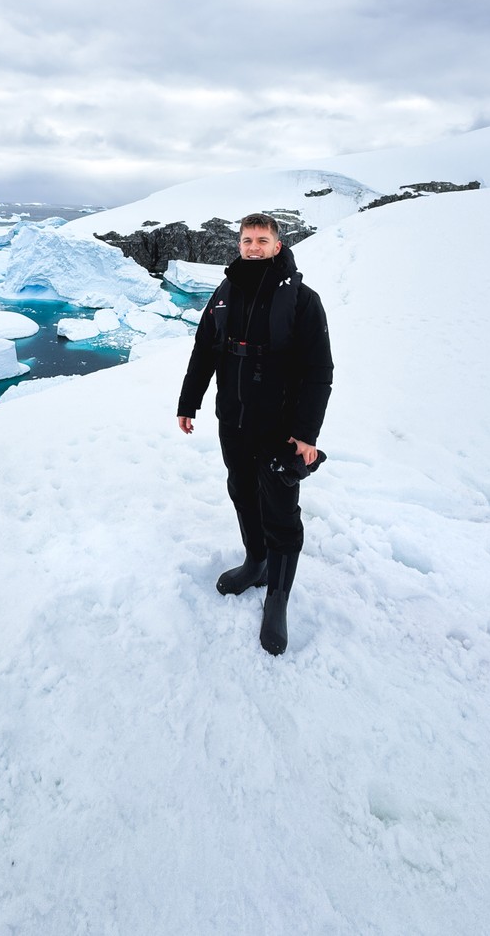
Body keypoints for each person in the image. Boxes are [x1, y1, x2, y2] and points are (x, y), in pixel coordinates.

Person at [177, 213, 333, 655]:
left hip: (280, 427)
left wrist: (306, 433)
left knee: (281, 512)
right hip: (234, 420)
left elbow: (319, 371)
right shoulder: (226, 291)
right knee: (242, 493)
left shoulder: (303, 301)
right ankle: (257, 562)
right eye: (247, 240)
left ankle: (278, 598)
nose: (253, 247)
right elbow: (204, 350)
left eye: (262, 240)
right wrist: (189, 402)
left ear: (277, 246)